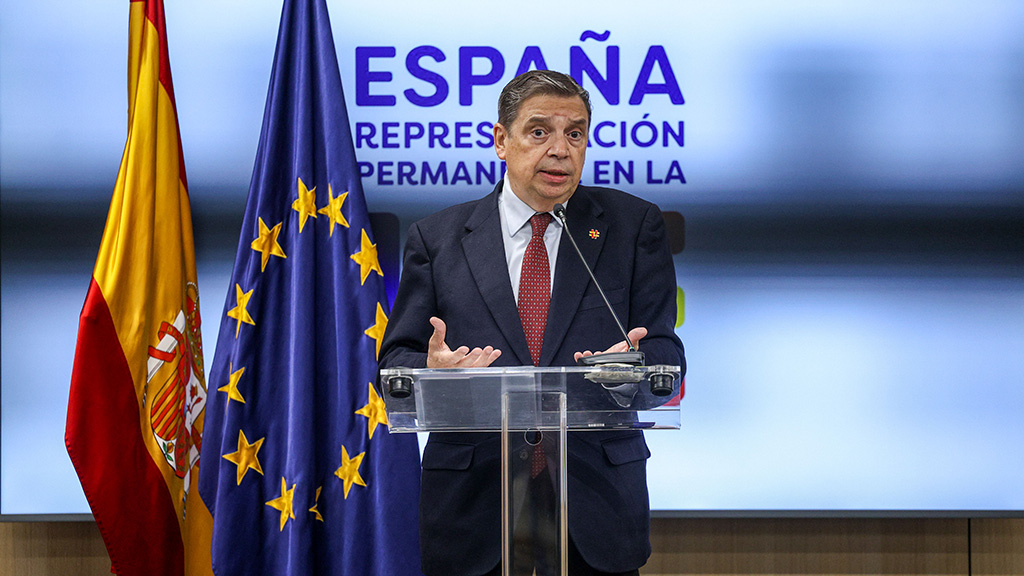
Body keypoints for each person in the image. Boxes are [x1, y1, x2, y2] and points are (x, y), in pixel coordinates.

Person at [379, 70, 685, 576]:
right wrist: (434, 373)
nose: (560, 150)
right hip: (474, 503)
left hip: (594, 501)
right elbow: (395, 362)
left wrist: (632, 366)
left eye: (575, 133)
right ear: (501, 140)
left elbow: (667, 355)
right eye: (539, 131)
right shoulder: (437, 238)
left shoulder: (632, 227)